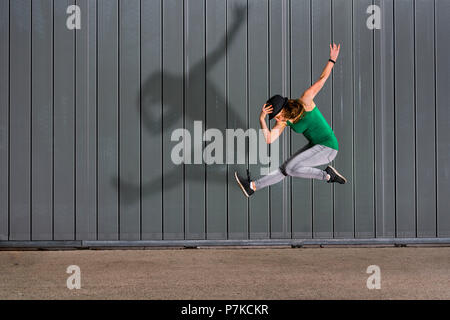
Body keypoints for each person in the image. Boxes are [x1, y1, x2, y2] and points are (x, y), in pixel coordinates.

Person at [235, 43, 347, 198]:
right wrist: (261, 119)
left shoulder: (305, 101)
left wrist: (332, 60)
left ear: (285, 107)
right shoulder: (283, 121)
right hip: (316, 146)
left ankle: (327, 175)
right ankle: (252, 187)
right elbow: (269, 139)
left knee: (290, 168)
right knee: (285, 168)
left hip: (329, 147)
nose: (278, 119)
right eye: (275, 118)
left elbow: (322, 80)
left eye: (278, 115)